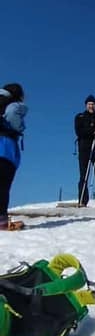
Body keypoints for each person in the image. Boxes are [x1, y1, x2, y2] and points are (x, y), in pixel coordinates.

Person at [0, 83, 28, 231]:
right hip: (4, 148)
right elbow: (12, 115)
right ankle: (2, 222)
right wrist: (20, 127)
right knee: (3, 185)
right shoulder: (13, 105)